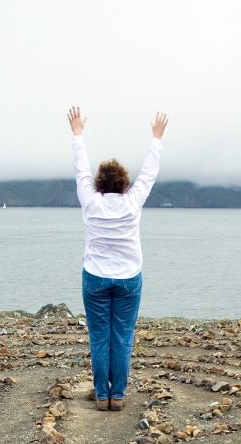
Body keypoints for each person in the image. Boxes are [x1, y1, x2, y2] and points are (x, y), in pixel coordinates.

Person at [68, 105, 168, 412]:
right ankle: (119, 395)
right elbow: (149, 174)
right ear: (124, 183)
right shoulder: (132, 202)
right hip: (128, 278)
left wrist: (77, 135)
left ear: (99, 183)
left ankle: (102, 395)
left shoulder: (90, 200)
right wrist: (156, 139)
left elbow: (80, 169)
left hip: (95, 277)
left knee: (99, 336)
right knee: (122, 335)